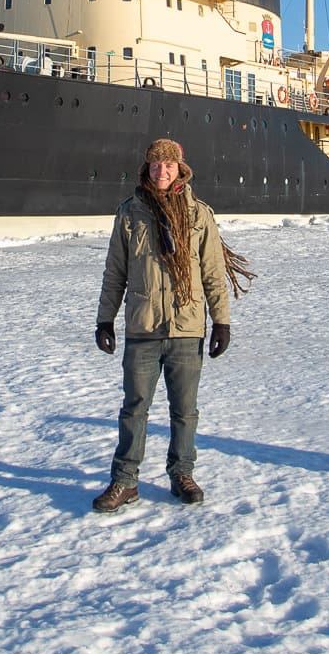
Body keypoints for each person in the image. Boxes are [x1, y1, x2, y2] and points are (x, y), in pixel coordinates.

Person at [93, 137, 250, 513]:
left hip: (186, 327)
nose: (162, 171)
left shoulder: (199, 214)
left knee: (185, 410)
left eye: (169, 165)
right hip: (143, 328)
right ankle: (125, 480)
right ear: (146, 168)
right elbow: (115, 271)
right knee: (134, 408)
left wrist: (221, 322)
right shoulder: (130, 213)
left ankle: (182, 473)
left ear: (181, 169)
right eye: (155, 164)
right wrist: (105, 319)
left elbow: (212, 272)